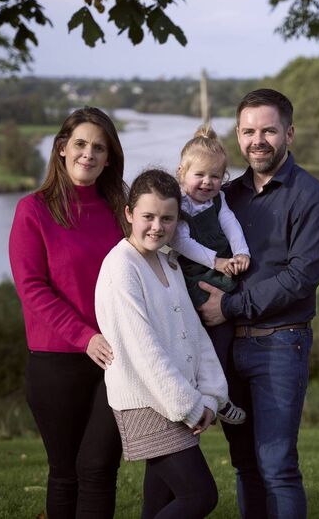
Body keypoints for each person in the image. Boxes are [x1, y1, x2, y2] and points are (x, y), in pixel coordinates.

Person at [198, 88, 319, 519]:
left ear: (289, 133)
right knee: (244, 465)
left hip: (280, 345)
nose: (258, 140)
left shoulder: (311, 196)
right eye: (248, 131)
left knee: (277, 465)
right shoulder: (226, 195)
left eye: (268, 131)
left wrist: (231, 306)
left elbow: (300, 279)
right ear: (238, 136)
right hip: (226, 348)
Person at [9, 107, 125, 518]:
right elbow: (32, 289)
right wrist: (84, 336)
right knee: (65, 475)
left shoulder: (120, 210)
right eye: (80, 144)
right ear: (62, 148)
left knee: (99, 469)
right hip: (56, 363)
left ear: (109, 158)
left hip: (115, 360)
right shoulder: (34, 210)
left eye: (99, 147)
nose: (88, 154)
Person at [95, 169, 228, 519]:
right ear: (129, 214)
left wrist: (213, 393)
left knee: (160, 504)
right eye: (148, 216)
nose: (157, 226)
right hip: (147, 402)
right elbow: (142, 349)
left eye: (167, 218)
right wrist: (189, 405)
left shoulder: (167, 261)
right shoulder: (120, 267)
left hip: (175, 399)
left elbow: (194, 332)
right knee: (200, 496)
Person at [169, 125, 250, 425]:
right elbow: (181, 241)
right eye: (199, 175)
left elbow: (230, 224)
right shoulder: (179, 203)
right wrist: (216, 261)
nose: (207, 182)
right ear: (182, 173)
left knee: (221, 338)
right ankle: (211, 397)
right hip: (195, 271)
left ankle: (216, 396)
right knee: (200, 338)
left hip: (220, 266)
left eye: (215, 176)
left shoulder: (218, 200)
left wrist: (242, 253)